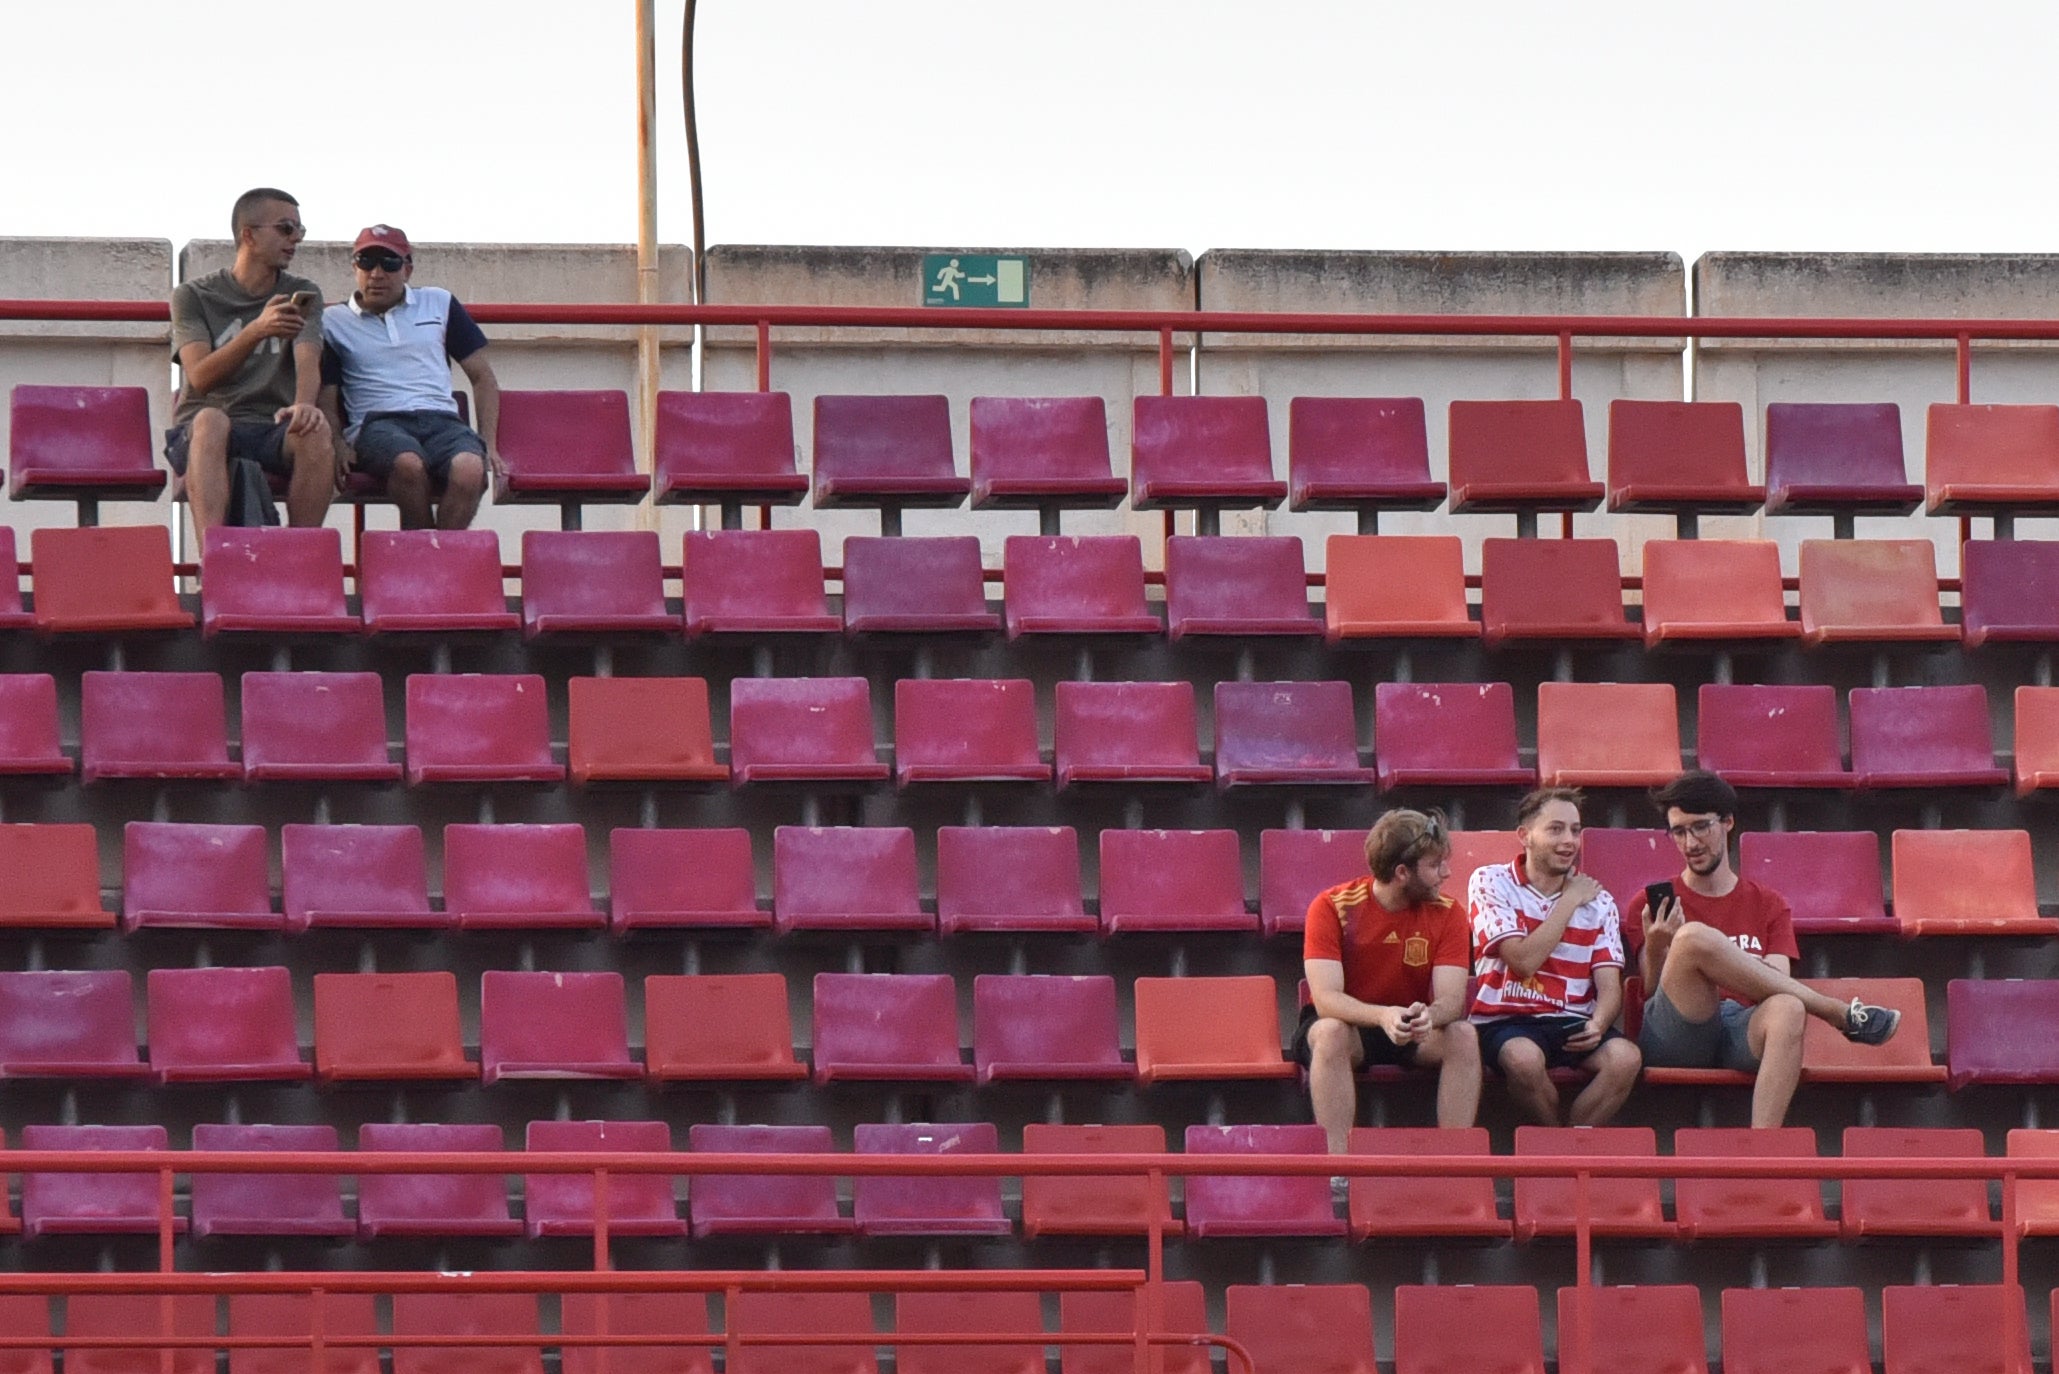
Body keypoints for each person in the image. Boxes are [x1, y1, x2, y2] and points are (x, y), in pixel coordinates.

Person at [1624, 770, 1901, 1127]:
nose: (1690, 842)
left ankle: (1762, 1154)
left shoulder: (1768, 904)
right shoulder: (1650, 904)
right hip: (1677, 1034)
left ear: (1727, 822)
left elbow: (1778, 981)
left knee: (1788, 1006)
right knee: (1692, 938)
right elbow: (1649, 990)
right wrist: (1662, 946)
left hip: (1741, 1027)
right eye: (1678, 831)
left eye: (1700, 827)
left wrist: (1721, 959)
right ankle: (1835, 1012)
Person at [1294, 808, 1482, 1153]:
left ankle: (1456, 1165)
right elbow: (1326, 1000)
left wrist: (1429, 1017)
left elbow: (1452, 1001)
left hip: (1409, 1021)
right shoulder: (1332, 906)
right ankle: (1338, 1167)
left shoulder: (1449, 912)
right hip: (1349, 1023)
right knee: (1331, 1032)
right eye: (1435, 865)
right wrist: (1382, 1015)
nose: (1447, 872)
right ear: (1401, 873)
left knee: (1464, 1035)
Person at [166, 187, 336, 535]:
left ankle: (299, 555)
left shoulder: (303, 292)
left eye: (299, 231)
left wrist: (304, 405)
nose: (295, 240)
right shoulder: (193, 296)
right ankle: (213, 561)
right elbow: (199, 377)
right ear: (249, 235)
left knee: (315, 431)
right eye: (285, 229)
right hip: (205, 429)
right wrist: (256, 330)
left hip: (271, 424)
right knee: (211, 420)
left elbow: (308, 358)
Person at [1468, 787, 1642, 1126]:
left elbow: (1609, 986)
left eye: (1575, 830)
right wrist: (1568, 902)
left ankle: (1570, 1143)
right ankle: (1557, 1145)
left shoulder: (1599, 901)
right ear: (1525, 836)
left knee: (1626, 1058)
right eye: (1555, 829)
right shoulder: (1490, 881)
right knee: (1523, 1060)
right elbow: (1522, 961)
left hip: (1571, 1020)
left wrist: (1599, 1024)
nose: (1569, 841)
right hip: (1506, 1019)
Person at [318, 224, 499, 530]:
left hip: (442, 420)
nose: (377, 273)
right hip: (377, 424)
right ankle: (425, 553)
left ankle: (435, 559)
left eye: (389, 263)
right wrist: (336, 442)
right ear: (354, 268)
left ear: (408, 269)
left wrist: (488, 444)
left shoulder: (439, 302)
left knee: (470, 469)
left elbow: (483, 378)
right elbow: (326, 393)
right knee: (407, 465)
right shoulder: (333, 321)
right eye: (366, 262)